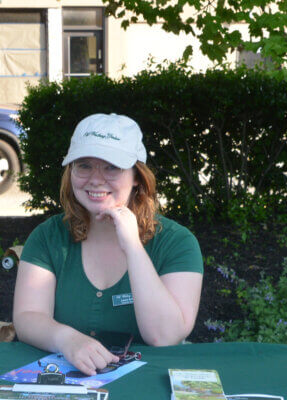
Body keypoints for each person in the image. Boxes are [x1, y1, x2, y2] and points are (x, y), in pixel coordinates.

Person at [13, 113, 203, 376]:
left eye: (112, 167)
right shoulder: (48, 237)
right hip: (68, 386)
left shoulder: (178, 243)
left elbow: (164, 337)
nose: (96, 179)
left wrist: (133, 248)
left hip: (149, 387)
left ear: (137, 176)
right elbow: (27, 317)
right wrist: (67, 339)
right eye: (84, 165)